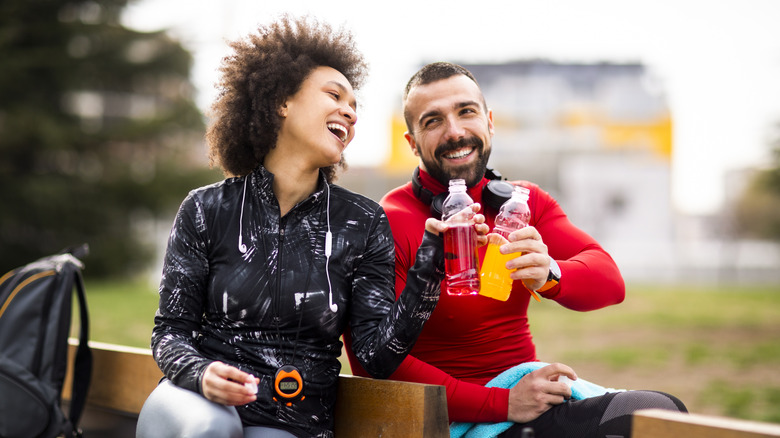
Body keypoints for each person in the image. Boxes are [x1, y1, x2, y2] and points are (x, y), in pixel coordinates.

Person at [136, 21, 488, 438]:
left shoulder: (363, 223)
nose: (351, 112)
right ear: (282, 102)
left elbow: (377, 356)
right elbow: (171, 332)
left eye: (355, 106)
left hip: (291, 420)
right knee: (212, 428)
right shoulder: (206, 208)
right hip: (196, 404)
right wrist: (201, 373)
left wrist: (431, 263)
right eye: (334, 95)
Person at [345, 62, 687, 438]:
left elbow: (610, 282)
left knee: (663, 416)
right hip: (453, 421)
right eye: (433, 121)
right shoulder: (387, 221)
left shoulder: (524, 203)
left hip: (527, 403)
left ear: (490, 122)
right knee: (647, 418)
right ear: (411, 143)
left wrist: (550, 274)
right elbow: (374, 361)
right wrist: (502, 404)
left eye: (466, 112)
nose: (455, 132)